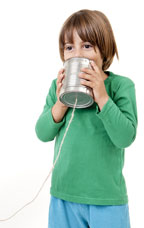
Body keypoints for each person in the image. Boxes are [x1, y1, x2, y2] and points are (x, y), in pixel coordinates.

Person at [35, 10, 137, 228]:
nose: (77, 54)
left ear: (104, 49)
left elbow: (125, 137)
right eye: (69, 47)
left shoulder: (120, 86)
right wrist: (61, 102)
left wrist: (102, 97)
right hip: (64, 196)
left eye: (87, 46)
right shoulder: (58, 87)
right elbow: (42, 133)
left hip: (106, 199)